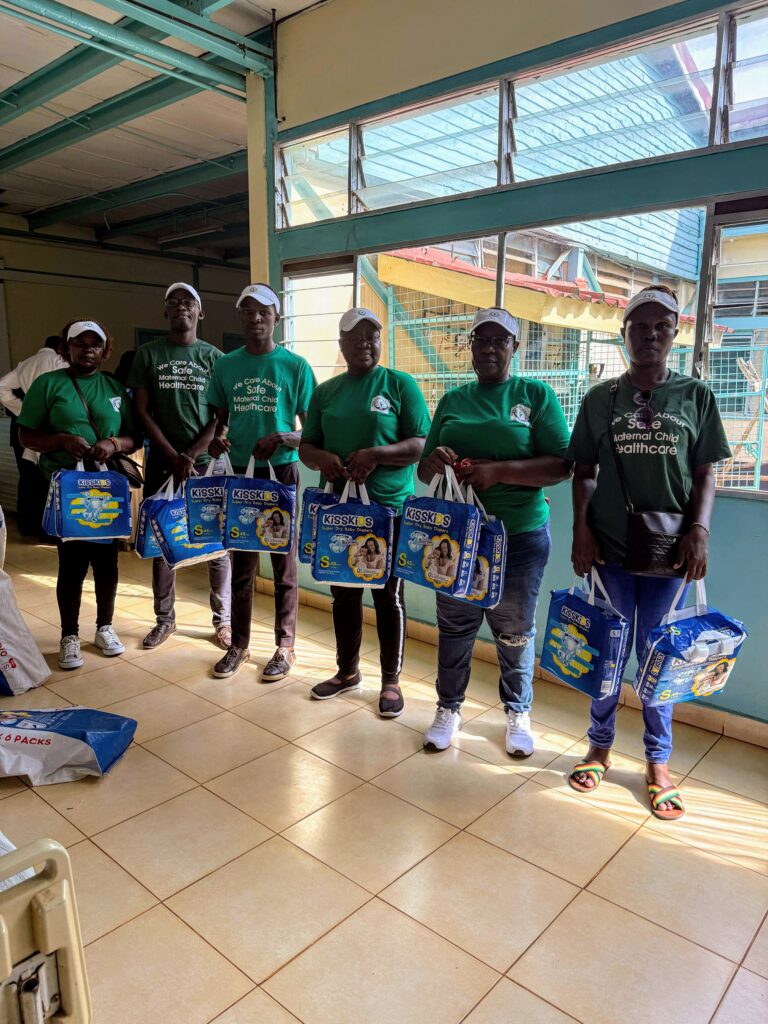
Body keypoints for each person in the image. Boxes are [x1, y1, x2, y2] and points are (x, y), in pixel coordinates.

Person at [568, 285, 731, 820]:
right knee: (607, 650)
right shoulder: (601, 399)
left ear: (675, 333)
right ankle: (599, 746)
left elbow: (706, 472)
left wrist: (700, 530)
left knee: (659, 656)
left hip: (670, 553)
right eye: (640, 326)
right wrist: (581, 531)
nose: (650, 335)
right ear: (625, 334)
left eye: (662, 326)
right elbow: (583, 472)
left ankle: (658, 762)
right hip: (610, 548)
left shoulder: (695, 396)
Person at [419, 307, 571, 754]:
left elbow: (562, 465)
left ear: (514, 347)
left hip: (518, 536)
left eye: (499, 340)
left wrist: (499, 471)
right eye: (480, 340)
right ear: (470, 347)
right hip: (456, 536)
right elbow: (425, 470)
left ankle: (518, 711)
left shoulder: (535, 395)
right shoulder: (453, 400)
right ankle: (448, 708)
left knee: (514, 629)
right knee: (455, 625)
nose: (488, 348)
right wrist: (436, 461)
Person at [300, 306, 431, 718]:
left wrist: (376, 455)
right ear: (341, 345)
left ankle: (391, 681)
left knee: (387, 597)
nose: (365, 344)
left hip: (387, 512)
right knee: (343, 595)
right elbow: (307, 447)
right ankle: (347, 672)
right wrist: (322, 458)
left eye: (372, 337)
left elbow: (421, 443)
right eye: (355, 338)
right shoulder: (326, 392)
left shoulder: (400, 385)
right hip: (340, 511)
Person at [17, 320, 141, 670]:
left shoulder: (114, 388)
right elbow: (27, 435)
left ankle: (105, 628)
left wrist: (112, 443)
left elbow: (134, 437)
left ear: (105, 350)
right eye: (80, 343)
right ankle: (69, 636)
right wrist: (61, 440)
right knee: (71, 562)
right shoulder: (48, 385)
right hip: (67, 487)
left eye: (95, 344)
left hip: (106, 487)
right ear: (66, 348)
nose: (88, 350)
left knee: (107, 562)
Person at [208, 283, 315, 681]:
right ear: (240, 316)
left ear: (276, 318)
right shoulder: (226, 366)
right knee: (243, 565)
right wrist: (217, 440)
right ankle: (238, 644)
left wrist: (285, 438)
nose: (255, 318)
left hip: (281, 473)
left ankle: (285, 647)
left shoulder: (295, 366)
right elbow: (218, 423)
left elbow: (312, 432)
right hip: (240, 474)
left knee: (283, 564)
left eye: (263, 311)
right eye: (248, 311)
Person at [128, 282, 231, 650]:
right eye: (174, 302)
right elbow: (142, 410)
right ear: (166, 311)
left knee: (217, 544)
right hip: (163, 462)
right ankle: (164, 620)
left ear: (200, 312)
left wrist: (189, 456)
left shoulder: (215, 358)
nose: (181, 307)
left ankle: (223, 621)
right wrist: (173, 456)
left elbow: (221, 416)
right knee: (163, 539)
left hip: (206, 464)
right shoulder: (149, 354)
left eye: (189, 302)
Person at [0, 335, 67, 535]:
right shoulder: (60, 362)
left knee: (28, 478)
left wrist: (23, 410)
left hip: (25, 431)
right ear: (60, 348)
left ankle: (28, 525)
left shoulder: (26, 364)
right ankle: (49, 529)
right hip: (52, 429)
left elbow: (1, 386)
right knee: (50, 479)